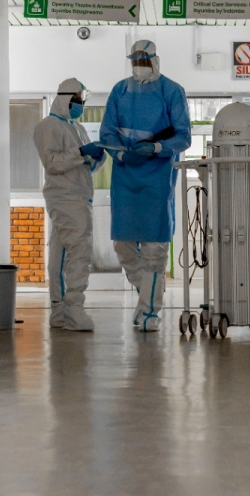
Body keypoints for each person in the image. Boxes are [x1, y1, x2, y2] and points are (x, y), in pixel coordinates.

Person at [99, 41, 191, 332]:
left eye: (143, 60)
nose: (139, 65)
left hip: (157, 177)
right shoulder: (119, 91)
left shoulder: (171, 91)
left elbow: (184, 136)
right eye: (135, 60)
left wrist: (157, 147)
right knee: (123, 245)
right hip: (125, 175)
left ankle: (150, 312)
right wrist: (119, 153)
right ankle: (149, 294)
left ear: (155, 60)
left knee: (154, 249)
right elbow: (107, 131)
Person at [34, 78, 107, 331]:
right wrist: (82, 153)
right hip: (65, 197)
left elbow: (86, 167)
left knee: (60, 253)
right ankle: (74, 309)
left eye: (83, 99)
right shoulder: (48, 126)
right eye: (78, 99)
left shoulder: (78, 128)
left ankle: (59, 311)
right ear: (66, 98)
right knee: (79, 251)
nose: (81, 104)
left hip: (78, 196)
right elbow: (53, 163)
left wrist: (97, 157)